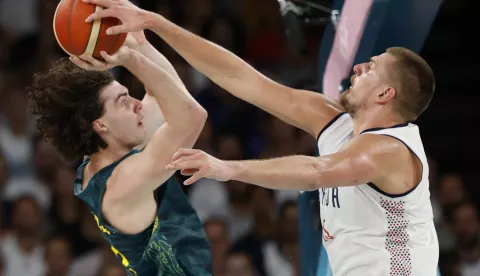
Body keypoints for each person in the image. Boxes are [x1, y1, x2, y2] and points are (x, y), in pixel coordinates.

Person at [81, 0, 439, 275]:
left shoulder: (390, 149)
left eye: (372, 67)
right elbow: (241, 79)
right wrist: (154, 23)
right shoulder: (333, 120)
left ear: (385, 95)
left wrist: (228, 168)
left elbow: (317, 170)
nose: (359, 67)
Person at [27, 28, 212, 275]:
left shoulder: (105, 150)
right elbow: (192, 115)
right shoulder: (122, 182)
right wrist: (132, 59)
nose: (137, 105)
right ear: (101, 124)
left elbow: (162, 95)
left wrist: (136, 39)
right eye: (124, 101)